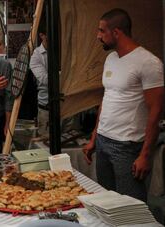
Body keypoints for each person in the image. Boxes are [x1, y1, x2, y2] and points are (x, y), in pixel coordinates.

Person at [83, 8, 164, 202]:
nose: (98, 36)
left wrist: (145, 154)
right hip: (103, 141)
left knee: (130, 206)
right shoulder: (110, 59)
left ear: (116, 32)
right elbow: (107, 98)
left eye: (102, 31)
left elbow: (156, 110)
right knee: (107, 202)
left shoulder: (148, 62)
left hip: (127, 146)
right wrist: (95, 136)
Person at [29, 28, 48, 136]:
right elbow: (46, 80)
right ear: (42, 35)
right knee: (46, 144)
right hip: (46, 108)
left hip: (69, 106)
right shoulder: (36, 56)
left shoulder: (65, 49)